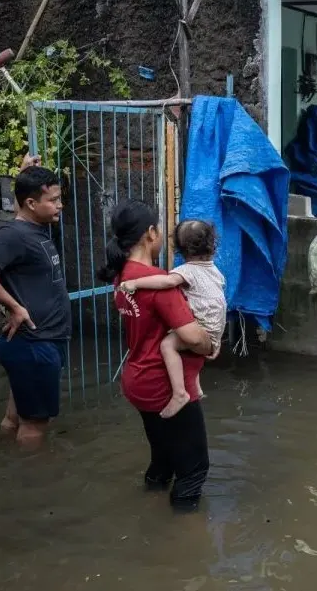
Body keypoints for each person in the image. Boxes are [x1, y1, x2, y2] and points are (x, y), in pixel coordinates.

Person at [99, 200, 214, 510]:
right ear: (150, 234)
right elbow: (191, 336)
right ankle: (181, 543)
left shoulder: (123, 275)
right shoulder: (158, 283)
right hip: (164, 385)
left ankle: (149, 511)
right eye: (159, 228)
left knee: (163, 459)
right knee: (194, 469)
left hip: (138, 379)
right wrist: (210, 344)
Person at [0, 156, 69, 445]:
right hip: (34, 343)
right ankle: (33, 484)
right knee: (35, 425)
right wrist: (14, 306)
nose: (60, 205)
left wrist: (24, 176)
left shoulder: (33, 227)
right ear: (31, 204)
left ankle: (7, 466)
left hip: (35, 343)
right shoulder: (16, 235)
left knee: (15, 418)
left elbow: (23, 209)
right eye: (54, 200)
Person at [118, 220, 226, 417]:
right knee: (183, 326)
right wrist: (214, 339)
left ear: (179, 249)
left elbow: (167, 281)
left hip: (203, 328)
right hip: (217, 326)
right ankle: (197, 386)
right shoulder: (215, 271)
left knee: (168, 344)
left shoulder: (186, 272)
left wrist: (135, 283)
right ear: (213, 246)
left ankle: (179, 393)